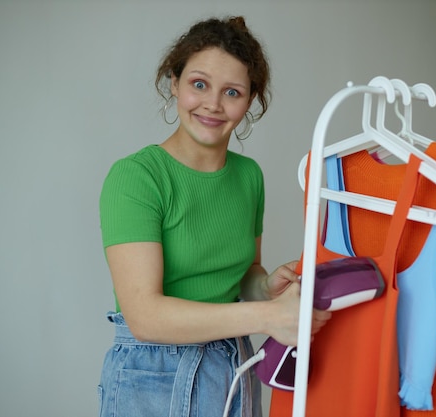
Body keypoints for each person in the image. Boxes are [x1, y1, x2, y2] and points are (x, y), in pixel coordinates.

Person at [97, 15, 331, 417]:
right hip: (155, 375)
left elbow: (243, 275)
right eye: (199, 84)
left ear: (250, 100)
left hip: (231, 367)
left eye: (233, 92)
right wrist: (269, 316)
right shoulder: (136, 177)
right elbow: (145, 317)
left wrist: (266, 286)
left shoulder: (248, 176)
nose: (213, 104)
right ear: (174, 82)